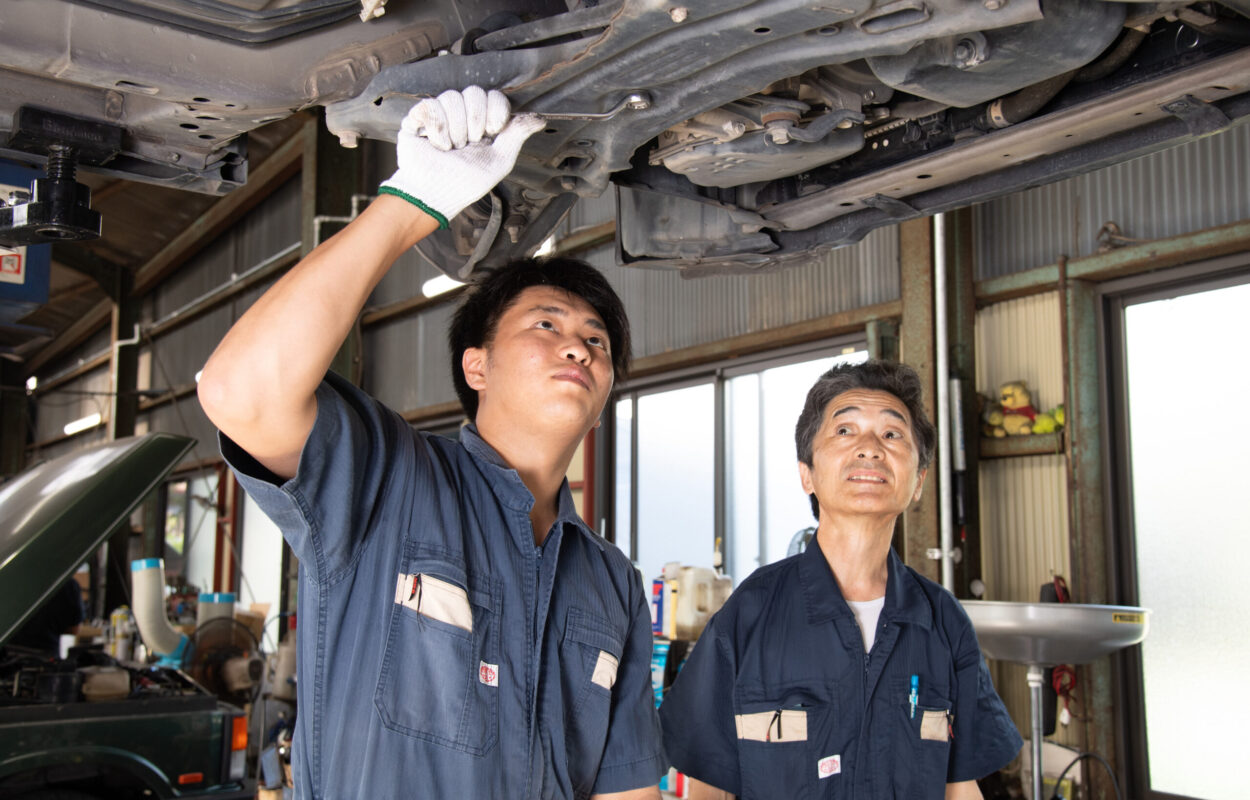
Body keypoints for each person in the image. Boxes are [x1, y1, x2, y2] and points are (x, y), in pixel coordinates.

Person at [198, 87, 665, 799]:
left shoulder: (613, 585)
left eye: (595, 341)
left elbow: (622, 787)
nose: (577, 347)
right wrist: (411, 203)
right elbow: (240, 394)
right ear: (476, 366)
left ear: (602, 398)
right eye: (546, 325)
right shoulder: (391, 479)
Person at [659, 360, 1022, 800]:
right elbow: (709, 789)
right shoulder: (751, 613)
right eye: (845, 431)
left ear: (919, 481)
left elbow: (959, 788)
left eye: (892, 435)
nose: (870, 448)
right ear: (806, 473)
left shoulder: (943, 621)